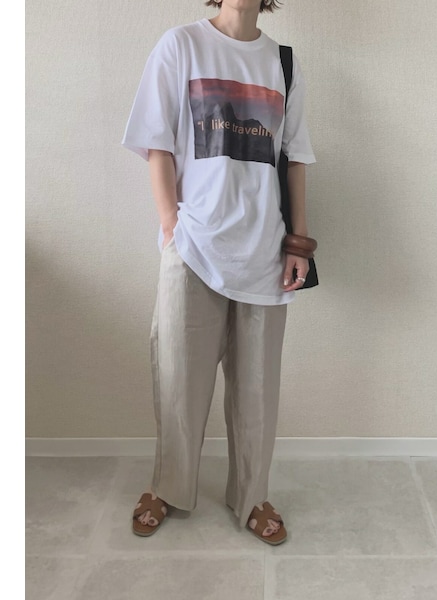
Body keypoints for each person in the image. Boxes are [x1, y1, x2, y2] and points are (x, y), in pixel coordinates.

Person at [122, 0, 316, 545]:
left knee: (257, 388)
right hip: (194, 246)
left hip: (265, 249)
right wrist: (170, 224)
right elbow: (156, 142)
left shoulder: (283, 62)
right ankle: (168, 486)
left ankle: (252, 496)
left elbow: (295, 157)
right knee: (178, 378)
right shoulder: (181, 45)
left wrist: (299, 243)